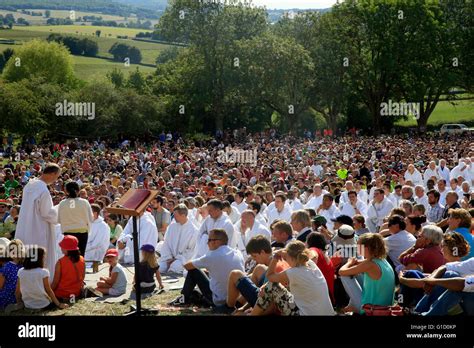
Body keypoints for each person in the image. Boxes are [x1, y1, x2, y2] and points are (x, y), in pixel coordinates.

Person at [250, 240, 335, 316]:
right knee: (276, 286)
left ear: (291, 257)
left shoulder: (294, 273)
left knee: (271, 287)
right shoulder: (311, 265)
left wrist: (275, 258)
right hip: (328, 313)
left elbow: (269, 276)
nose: (285, 260)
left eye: (286, 258)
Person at [170, 229, 244, 309]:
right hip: (237, 300)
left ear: (216, 242)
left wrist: (182, 258)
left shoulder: (212, 256)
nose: (207, 243)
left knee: (194, 271)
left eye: (209, 240)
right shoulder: (237, 253)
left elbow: (187, 266)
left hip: (219, 301)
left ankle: (183, 299)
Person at [16, 163, 61, 279]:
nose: (56, 180)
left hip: (25, 226)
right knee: (40, 257)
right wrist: (60, 211)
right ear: (52, 174)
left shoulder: (29, 185)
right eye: (56, 177)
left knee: (26, 255)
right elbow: (46, 213)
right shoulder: (43, 190)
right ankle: (42, 284)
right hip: (39, 227)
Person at [226, 235, 289, 313]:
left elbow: (270, 302)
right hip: (266, 299)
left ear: (262, 252)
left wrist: (253, 312)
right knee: (259, 268)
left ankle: (229, 307)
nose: (254, 259)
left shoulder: (275, 267)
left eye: (255, 256)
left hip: (267, 306)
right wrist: (244, 307)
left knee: (235, 274)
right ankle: (238, 304)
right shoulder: (275, 259)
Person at [339, 233, 395, 314]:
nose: (357, 249)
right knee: (355, 272)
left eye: (358, 247)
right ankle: (352, 306)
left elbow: (341, 271)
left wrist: (349, 262)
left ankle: (355, 307)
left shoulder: (370, 264)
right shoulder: (381, 260)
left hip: (372, 309)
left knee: (345, 276)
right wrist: (354, 264)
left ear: (367, 248)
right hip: (384, 306)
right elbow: (359, 263)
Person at [16, 246, 68, 310]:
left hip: (28, 305)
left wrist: (19, 303)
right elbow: (48, 290)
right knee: (59, 298)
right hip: (43, 305)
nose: (44, 259)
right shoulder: (43, 272)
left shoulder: (20, 271)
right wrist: (59, 304)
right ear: (39, 259)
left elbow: (17, 292)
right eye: (43, 257)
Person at [158, 204, 198, 274]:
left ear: (183, 216)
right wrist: (168, 257)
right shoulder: (172, 226)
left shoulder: (193, 231)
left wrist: (176, 259)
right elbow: (166, 243)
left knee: (175, 267)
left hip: (182, 259)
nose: (174, 217)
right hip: (168, 257)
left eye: (176, 216)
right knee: (160, 268)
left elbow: (190, 251)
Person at [58, 181, 94, 256]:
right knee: (80, 256)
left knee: (69, 256)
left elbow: (59, 220)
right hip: (82, 232)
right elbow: (91, 218)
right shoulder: (85, 202)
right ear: (78, 190)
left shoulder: (62, 203)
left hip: (68, 232)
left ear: (66, 191)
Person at [51, 235, 85, 301]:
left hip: (62, 294)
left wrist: (48, 293)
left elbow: (55, 282)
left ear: (67, 249)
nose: (61, 248)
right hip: (76, 293)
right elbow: (82, 277)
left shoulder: (60, 262)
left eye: (62, 246)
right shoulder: (82, 259)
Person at [306, 232, 335, 302]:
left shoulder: (313, 249)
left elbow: (313, 256)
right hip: (328, 297)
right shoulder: (324, 255)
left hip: (321, 297)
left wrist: (306, 264)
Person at [0, 239, 24, 309]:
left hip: (6, 298)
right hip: (21, 297)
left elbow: (0, 286)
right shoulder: (24, 266)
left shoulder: (6, 267)